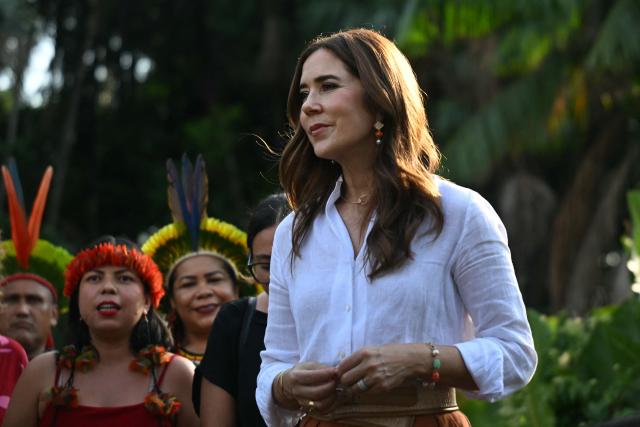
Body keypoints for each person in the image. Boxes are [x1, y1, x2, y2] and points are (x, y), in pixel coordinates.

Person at [256, 28, 538, 427]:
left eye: (327, 86)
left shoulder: (459, 213)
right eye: (304, 93)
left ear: (380, 100)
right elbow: (275, 363)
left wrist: (422, 360)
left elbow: (515, 354)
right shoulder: (294, 232)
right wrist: (286, 385)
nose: (308, 107)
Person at [3, 236, 199, 427]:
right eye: (94, 278)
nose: (108, 287)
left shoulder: (178, 374)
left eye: (124, 278)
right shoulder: (43, 372)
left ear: (147, 301)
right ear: (78, 299)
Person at [142, 154, 253, 365]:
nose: (203, 292)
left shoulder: (267, 352)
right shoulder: (151, 364)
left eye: (214, 279)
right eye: (188, 284)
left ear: (237, 289)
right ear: (171, 299)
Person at [195, 193, 290, 426]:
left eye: (290, 261)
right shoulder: (234, 322)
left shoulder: (345, 316)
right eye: (265, 266)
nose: (278, 278)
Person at [0, 163, 73, 360]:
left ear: (54, 314)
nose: (22, 310)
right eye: (11, 299)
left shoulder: (76, 379)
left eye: (34, 300)